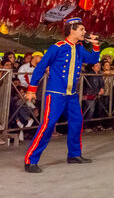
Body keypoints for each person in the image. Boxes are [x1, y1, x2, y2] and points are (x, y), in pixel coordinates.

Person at [23, 17, 100, 173]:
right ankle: (30, 159)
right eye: (82, 30)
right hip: (56, 94)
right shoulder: (57, 47)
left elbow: (93, 59)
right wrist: (31, 89)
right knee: (48, 125)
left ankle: (74, 155)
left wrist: (95, 44)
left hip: (71, 95)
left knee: (77, 123)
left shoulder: (79, 48)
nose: (84, 32)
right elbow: (40, 68)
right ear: (72, 29)